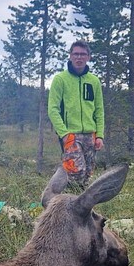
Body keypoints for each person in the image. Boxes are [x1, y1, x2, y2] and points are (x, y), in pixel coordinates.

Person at [48, 40, 105, 185]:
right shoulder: (60, 79)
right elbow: (53, 109)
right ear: (70, 56)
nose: (79, 57)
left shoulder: (94, 81)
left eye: (82, 54)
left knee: (88, 174)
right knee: (75, 173)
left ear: (88, 57)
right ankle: (66, 205)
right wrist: (65, 134)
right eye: (76, 54)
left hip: (90, 135)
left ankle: (82, 206)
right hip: (71, 135)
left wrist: (100, 135)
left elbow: (99, 110)